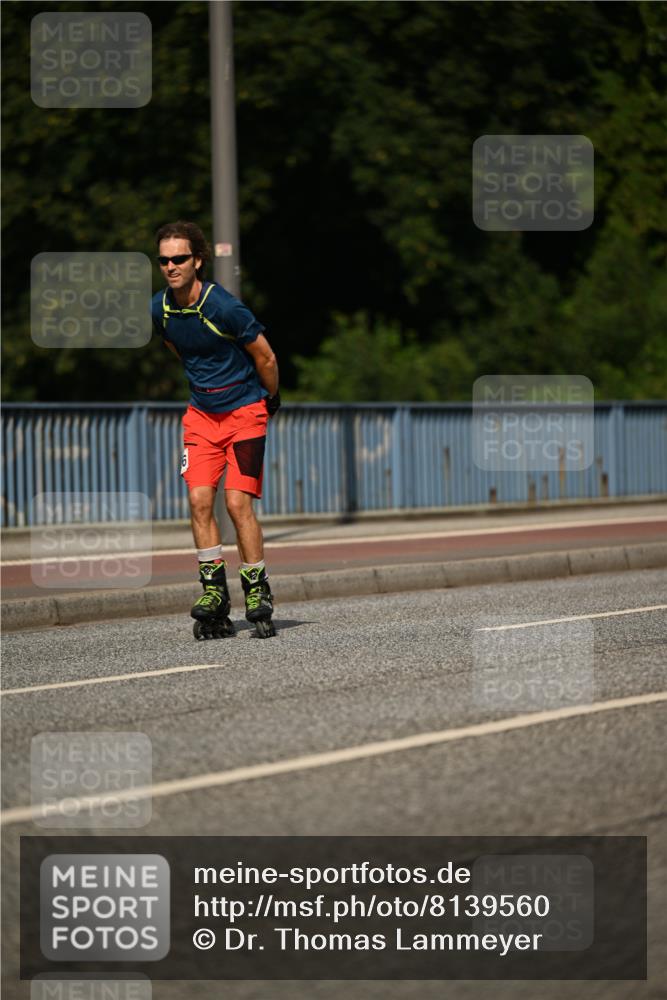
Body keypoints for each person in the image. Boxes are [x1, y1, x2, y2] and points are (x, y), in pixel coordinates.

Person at [150, 220, 280, 639]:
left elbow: (265, 356)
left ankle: (257, 591)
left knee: (237, 503)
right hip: (202, 417)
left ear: (198, 261)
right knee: (198, 500)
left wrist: (270, 398)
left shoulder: (223, 306)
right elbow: (178, 348)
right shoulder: (160, 308)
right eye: (164, 260)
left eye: (179, 259)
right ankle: (214, 594)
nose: (171, 266)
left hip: (245, 413)